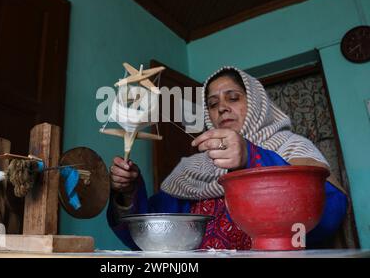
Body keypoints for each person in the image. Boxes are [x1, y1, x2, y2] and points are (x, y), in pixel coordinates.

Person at [107, 66, 348, 250]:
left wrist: (250, 157)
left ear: (256, 104)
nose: (221, 108)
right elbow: (153, 233)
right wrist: (127, 193)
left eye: (233, 98)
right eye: (212, 104)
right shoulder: (192, 170)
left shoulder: (292, 148)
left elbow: (327, 215)